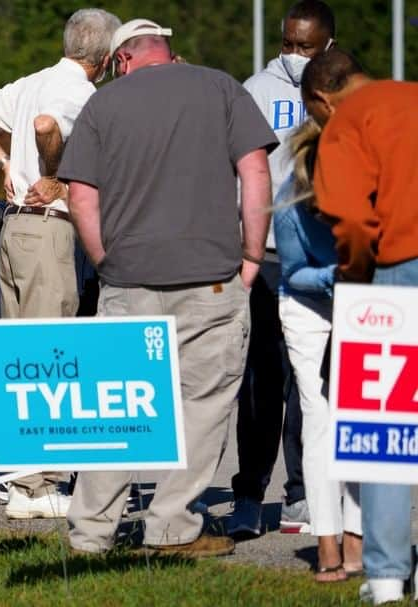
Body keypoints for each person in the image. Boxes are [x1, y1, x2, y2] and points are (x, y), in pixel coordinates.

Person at [58, 19, 276, 558]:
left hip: (128, 279)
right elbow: (255, 172)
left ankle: (90, 533)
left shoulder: (103, 105)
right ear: (165, 51)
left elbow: (80, 195)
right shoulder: (222, 86)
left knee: (115, 407)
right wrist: (251, 256)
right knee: (202, 405)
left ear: (122, 59)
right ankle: (172, 528)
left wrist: (105, 260)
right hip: (210, 278)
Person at [0, 7, 121, 520]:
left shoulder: (34, 81)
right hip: (49, 225)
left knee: (17, 354)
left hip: (16, 228)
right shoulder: (79, 94)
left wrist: (5, 160)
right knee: (50, 353)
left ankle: (20, 478)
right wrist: (54, 171)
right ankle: (38, 482)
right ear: (106, 56)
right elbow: (48, 126)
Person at [302, 48, 418, 605]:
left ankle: (389, 575)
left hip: (395, 272)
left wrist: (355, 270)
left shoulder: (347, 122)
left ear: (323, 98)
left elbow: (349, 216)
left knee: (387, 433)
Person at [228, 0, 336, 538]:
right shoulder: (257, 90)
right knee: (261, 379)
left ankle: (302, 494)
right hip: (266, 254)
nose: (292, 55)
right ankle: (249, 492)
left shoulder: (340, 89)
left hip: (321, 258)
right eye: (287, 44)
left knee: (311, 383)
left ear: (328, 47)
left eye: (305, 47)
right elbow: (237, 172)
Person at [272, 118, 362, 582]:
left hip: (364, 302)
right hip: (308, 304)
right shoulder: (290, 201)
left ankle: (358, 537)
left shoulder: (372, 183)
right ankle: (326, 540)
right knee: (319, 418)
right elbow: (293, 272)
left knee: (361, 419)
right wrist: (333, 277)